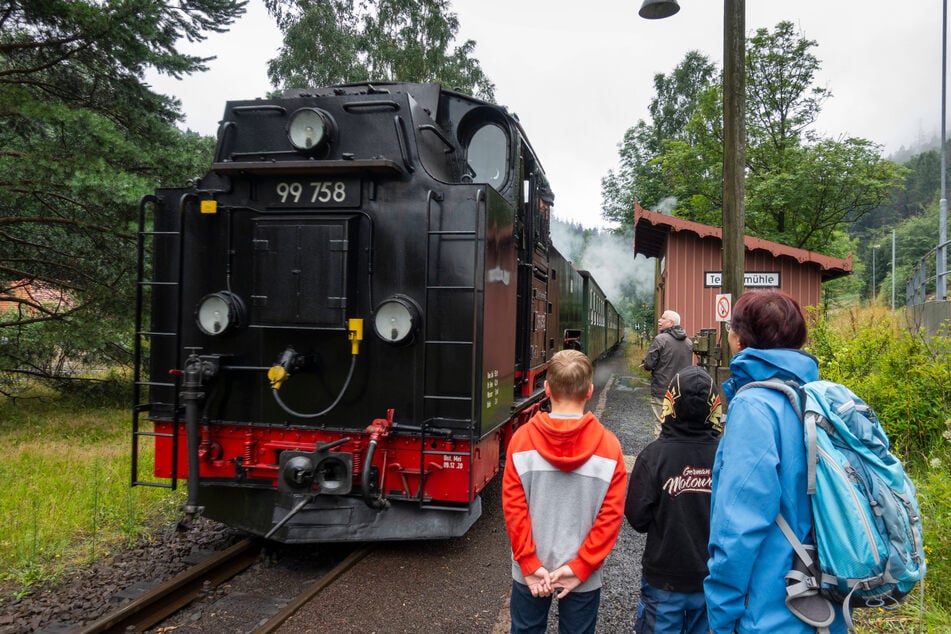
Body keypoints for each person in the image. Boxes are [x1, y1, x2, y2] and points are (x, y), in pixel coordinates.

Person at [704, 290, 848, 633]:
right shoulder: (819, 398)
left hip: (772, 610)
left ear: (741, 340)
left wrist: (721, 617)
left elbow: (738, 527)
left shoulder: (754, 407)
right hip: (829, 603)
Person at [502, 349, 628, 634]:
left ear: (546, 389)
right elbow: (610, 517)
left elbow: (514, 507)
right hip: (582, 573)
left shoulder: (521, 441)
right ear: (589, 391)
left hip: (530, 572)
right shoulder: (609, 448)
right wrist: (581, 566)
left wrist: (529, 562)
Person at [625, 365, 723, 634]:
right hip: (711, 577)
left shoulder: (654, 456)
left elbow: (637, 517)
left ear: (671, 403)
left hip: (663, 577)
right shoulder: (726, 456)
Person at [641, 310, 694, 435]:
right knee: (677, 425)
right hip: (681, 391)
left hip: (662, 390)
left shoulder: (660, 339)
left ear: (671, 322)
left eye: (663, 318)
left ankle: (660, 453)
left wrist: (646, 365)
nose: (659, 320)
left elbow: (649, 364)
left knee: (660, 425)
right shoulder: (688, 343)